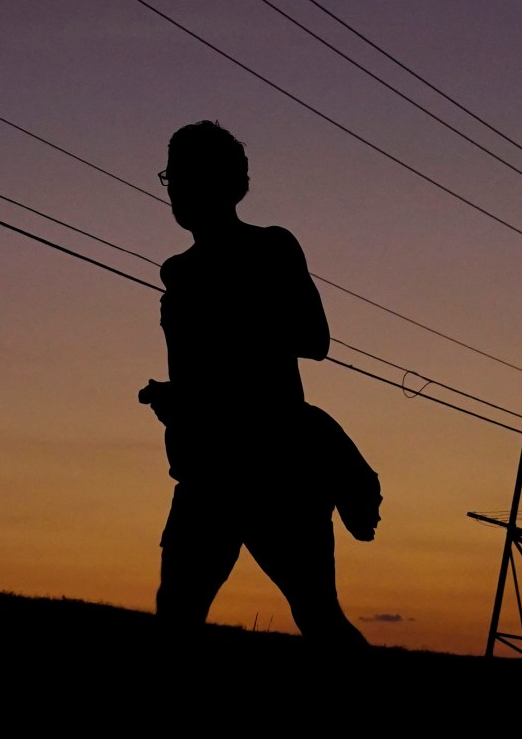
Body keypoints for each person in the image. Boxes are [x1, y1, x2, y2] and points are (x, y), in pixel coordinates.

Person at [139, 120, 369, 646]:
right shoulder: (177, 272)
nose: (176, 189)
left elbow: (315, 339)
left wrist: (224, 333)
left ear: (230, 184)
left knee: (317, 615)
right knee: (177, 611)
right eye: (171, 177)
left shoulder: (272, 248)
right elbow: (198, 372)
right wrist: (176, 398)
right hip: (205, 470)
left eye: (188, 176)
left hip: (276, 470)